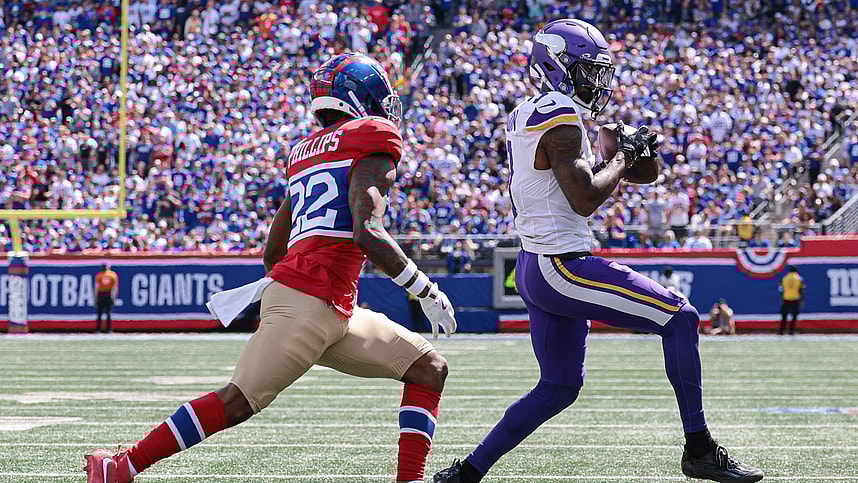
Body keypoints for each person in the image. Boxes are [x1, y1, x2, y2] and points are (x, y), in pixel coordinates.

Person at [85, 53, 457, 483]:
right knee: (237, 401)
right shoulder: (373, 135)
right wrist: (425, 289)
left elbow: (273, 249)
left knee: (428, 368)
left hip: (329, 307)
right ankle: (122, 466)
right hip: (310, 304)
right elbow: (367, 233)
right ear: (362, 97)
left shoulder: (305, 152)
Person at [433, 19, 762, 483]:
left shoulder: (531, 110)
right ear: (557, 67)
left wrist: (625, 155)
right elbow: (585, 196)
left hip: (536, 263)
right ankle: (700, 449)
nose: (597, 81)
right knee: (681, 317)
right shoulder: (561, 115)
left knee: (560, 385)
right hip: (561, 266)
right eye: (588, 70)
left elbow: (640, 174)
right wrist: (623, 157)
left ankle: (468, 472)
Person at [779, 266, 805, 335]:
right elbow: (801, 290)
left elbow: (781, 289)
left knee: (784, 316)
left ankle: (781, 331)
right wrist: (802, 300)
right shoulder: (799, 278)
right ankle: (791, 331)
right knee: (794, 316)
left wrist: (782, 298)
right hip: (795, 299)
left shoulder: (784, 278)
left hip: (786, 299)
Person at [95, 264, 118, 333]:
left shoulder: (99, 275)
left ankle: (98, 329)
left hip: (101, 294)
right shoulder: (112, 275)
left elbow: (96, 288)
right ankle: (109, 329)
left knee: (100, 313)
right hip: (109, 294)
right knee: (108, 313)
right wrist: (115, 297)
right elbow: (115, 288)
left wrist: (95, 298)